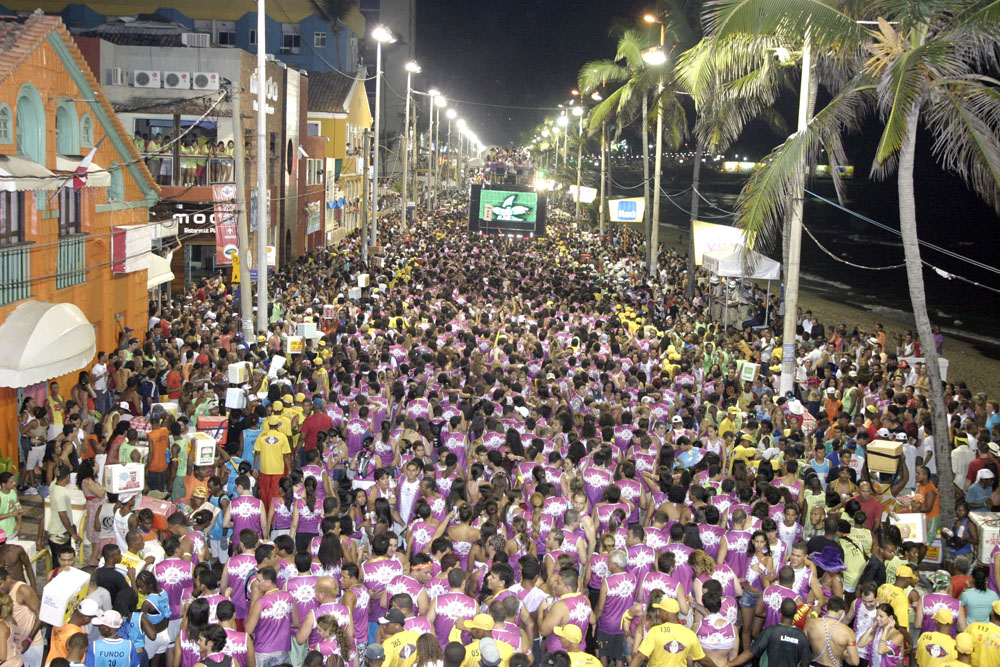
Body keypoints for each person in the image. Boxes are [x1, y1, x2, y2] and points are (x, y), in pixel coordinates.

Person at [626, 598, 712, 667]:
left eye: (660, 610)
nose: (658, 613)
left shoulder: (655, 631)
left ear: (666, 613)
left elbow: (641, 657)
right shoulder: (690, 634)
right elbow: (703, 660)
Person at [728, 598, 811, 667]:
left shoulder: (770, 631)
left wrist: (728, 665)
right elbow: (805, 663)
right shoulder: (801, 636)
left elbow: (750, 653)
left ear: (780, 611)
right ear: (795, 613)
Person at [803, 596, 859, 667]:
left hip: (814, 663)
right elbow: (855, 661)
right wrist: (843, 655)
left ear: (826, 608)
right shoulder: (848, 632)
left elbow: (803, 647)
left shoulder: (811, 624)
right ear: (841, 611)